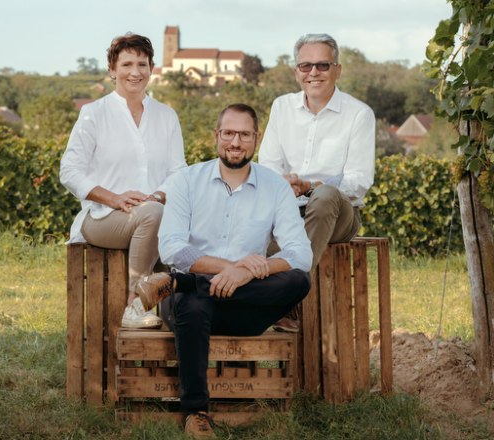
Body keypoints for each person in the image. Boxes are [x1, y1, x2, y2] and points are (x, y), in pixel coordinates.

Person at [138, 104, 312, 438]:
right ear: (216, 136)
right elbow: (172, 246)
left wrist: (246, 275)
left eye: (244, 134)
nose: (236, 141)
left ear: (256, 139)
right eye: (229, 133)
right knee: (191, 302)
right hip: (196, 310)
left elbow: (300, 253)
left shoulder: (275, 187)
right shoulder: (187, 180)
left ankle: (179, 282)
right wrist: (234, 267)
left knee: (298, 280)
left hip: (246, 309)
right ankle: (195, 413)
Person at [60, 33, 186, 329]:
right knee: (155, 217)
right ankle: (135, 305)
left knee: (168, 221)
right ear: (112, 70)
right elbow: (70, 170)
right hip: (103, 218)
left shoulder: (166, 116)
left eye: (142, 64)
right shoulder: (94, 114)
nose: (135, 72)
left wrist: (155, 196)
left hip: (155, 212)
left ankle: (184, 319)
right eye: (127, 64)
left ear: (151, 69)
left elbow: (179, 171)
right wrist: (114, 198)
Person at [259, 33, 376, 332]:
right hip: (289, 213)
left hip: (338, 214)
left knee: (324, 196)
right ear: (296, 72)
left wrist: (310, 186)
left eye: (323, 65)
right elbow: (268, 167)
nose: (314, 73)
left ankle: (285, 300)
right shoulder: (281, 107)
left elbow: (359, 181)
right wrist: (284, 183)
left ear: (338, 69)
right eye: (306, 66)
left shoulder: (359, 114)